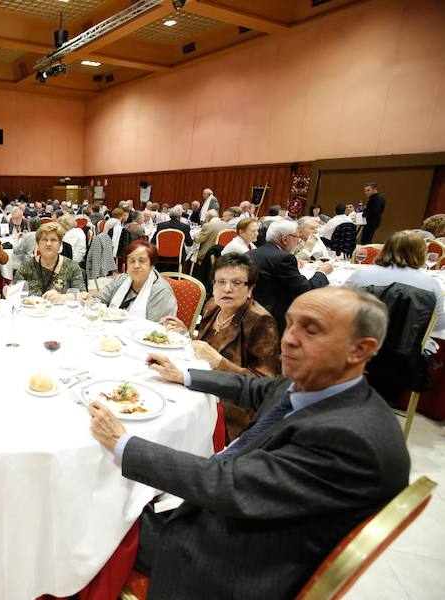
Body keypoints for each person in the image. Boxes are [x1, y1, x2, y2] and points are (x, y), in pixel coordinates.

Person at [90, 287, 408, 599]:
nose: (289, 338)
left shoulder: (351, 439)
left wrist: (123, 443)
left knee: (94, 509)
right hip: (247, 513)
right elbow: (256, 389)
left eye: (311, 330)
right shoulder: (319, 384)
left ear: (359, 350)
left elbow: (226, 485)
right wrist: (184, 375)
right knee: (122, 491)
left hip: (225, 562)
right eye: (291, 323)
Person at [163, 253, 280, 438]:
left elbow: (264, 386)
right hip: (200, 383)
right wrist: (186, 334)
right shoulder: (213, 306)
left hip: (229, 406)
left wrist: (220, 363)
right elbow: (207, 347)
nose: (227, 289)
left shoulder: (261, 321)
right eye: (221, 282)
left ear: (250, 288)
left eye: (237, 283)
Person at [344, 230, 445, 330]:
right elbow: (438, 325)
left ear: (385, 249)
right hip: (408, 339)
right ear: (422, 253)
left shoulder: (362, 274)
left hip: (361, 335)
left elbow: (340, 305)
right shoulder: (430, 284)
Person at [248, 220, 331, 331]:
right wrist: (321, 273)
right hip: (277, 318)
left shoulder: (250, 254)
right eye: (297, 238)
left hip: (252, 312)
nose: (298, 242)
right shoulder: (283, 258)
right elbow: (306, 291)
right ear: (285, 239)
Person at [94, 240, 176, 320]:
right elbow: (99, 300)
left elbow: (157, 326)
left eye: (142, 261)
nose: (136, 265)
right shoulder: (121, 279)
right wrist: (90, 302)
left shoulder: (162, 292)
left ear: (151, 265)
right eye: (132, 261)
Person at [13, 222, 85, 302]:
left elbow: (83, 296)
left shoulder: (72, 267)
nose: (48, 244)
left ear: (60, 244)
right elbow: (13, 293)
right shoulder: (26, 266)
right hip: (31, 309)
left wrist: (64, 297)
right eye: (44, 240)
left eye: (53, 240)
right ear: (38, 244)